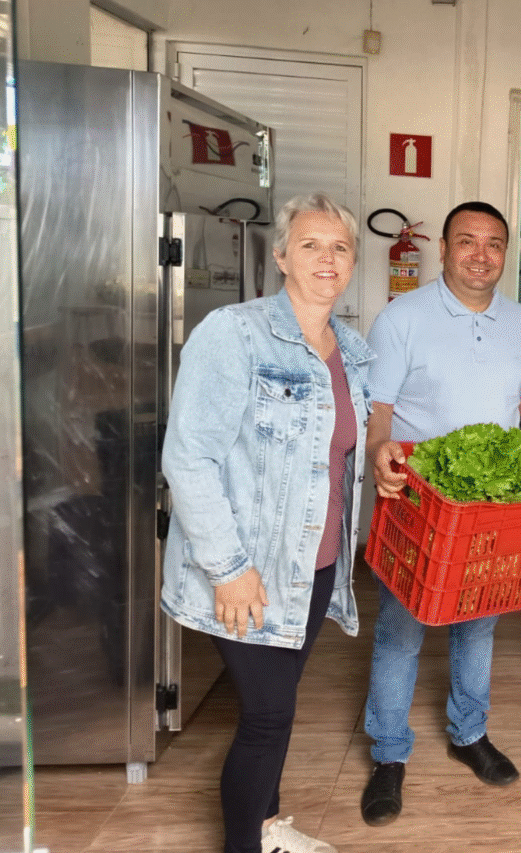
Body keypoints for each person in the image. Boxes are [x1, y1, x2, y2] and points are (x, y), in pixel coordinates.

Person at [359, 201, 521, 826]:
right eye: (467, 241)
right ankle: (389, 754)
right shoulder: (402, 317)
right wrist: (379, 451)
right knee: (400, 630)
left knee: (478, 627)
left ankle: (469, 735)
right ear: (444, 249)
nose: (481, 254)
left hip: (490, 513)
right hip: (420, 504)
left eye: (495, 244)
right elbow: (378, 407)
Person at [161, 192, 373, 853]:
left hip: (316, 564)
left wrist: (383, 461)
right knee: (267, 714)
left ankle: (266, 826)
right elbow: (188, 458)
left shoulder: (354, 349)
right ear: (280, 255)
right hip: (248, 569)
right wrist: (228, 569)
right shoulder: (234, 332)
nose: (326, 258)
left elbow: (336, 454)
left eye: (339, 247)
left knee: (274, 711)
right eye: (310, 244)